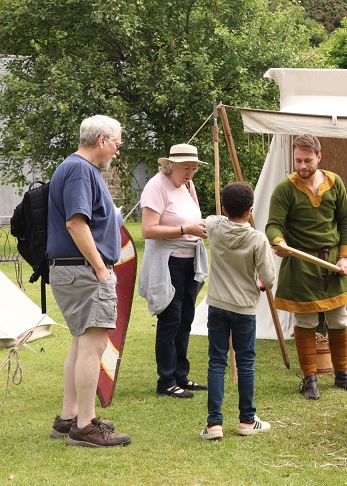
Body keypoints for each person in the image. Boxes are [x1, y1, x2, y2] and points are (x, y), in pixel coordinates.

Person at [47, 115, 131, 447]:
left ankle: (69, 419)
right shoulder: (80, 170)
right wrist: (100, 268)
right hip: (83, 270)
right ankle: (85, 426)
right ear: (102, 140)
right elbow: (76, 224)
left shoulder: (76, 169)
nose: (117, 151)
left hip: (72, 269)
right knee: (93, 345)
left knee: (81, 342)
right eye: (117, 144)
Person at [266, 134, 347, 400]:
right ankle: (309, 379)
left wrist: (343, 258)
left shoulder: (335, 182)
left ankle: (342, 375)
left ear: (319, 158)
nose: (302, 165)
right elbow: (272, 224)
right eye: (298, 160)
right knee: (306, 321)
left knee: (339, 319)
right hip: (301, 265)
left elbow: (344, 222)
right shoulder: (285, 189)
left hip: (332, 263)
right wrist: (278, 241)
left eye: (308, 160)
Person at [200, 182, 276, 440]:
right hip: (244, 308)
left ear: (223, 207)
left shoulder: (214, 226)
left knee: (217, 362)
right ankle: (246, 420)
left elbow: (211, 219)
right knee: (245, 362)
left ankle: (213, 424)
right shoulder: (257, 238)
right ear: (250, 211)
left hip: (218, 305)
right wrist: (261, 282)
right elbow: (268, 276)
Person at [138, 143, 209, 399]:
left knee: (186, 319)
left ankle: (181, 375)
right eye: (185, 167)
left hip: (190, 260)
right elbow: (148, 230)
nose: (190, 173)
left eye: (194, 168)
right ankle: (166, 380)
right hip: (168, 263)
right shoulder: (156, 187)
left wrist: (201, 228)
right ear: (170, 165)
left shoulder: (188, 186)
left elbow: (192, 219)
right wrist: (184, 230)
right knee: (170, 320)